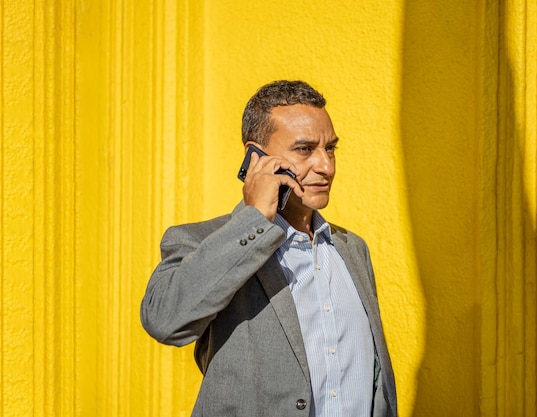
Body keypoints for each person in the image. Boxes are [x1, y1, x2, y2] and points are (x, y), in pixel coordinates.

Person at [140, 80, 397, 417]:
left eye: (330, 148)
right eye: (305, 149)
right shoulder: (201, 241)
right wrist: (255, 219)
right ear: (255, 156)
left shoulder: (352, 249)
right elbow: (164, 321)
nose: (326, 166)